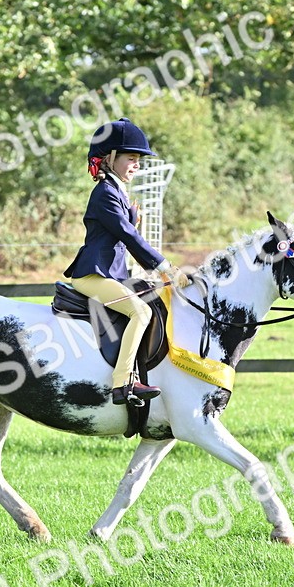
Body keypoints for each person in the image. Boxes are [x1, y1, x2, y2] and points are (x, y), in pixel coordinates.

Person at [63, 118, 192, 406]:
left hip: (111, 273)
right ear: (110, 159)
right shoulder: (105, 194)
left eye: (138, 160)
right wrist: (165, 267)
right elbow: (128, 236)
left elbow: (123, 234)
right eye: (131, 158)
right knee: (140, 312)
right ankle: (122, 383)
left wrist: (131, 221)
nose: (137, 165)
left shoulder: (117, 192)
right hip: (92, 275)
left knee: (152, 302)